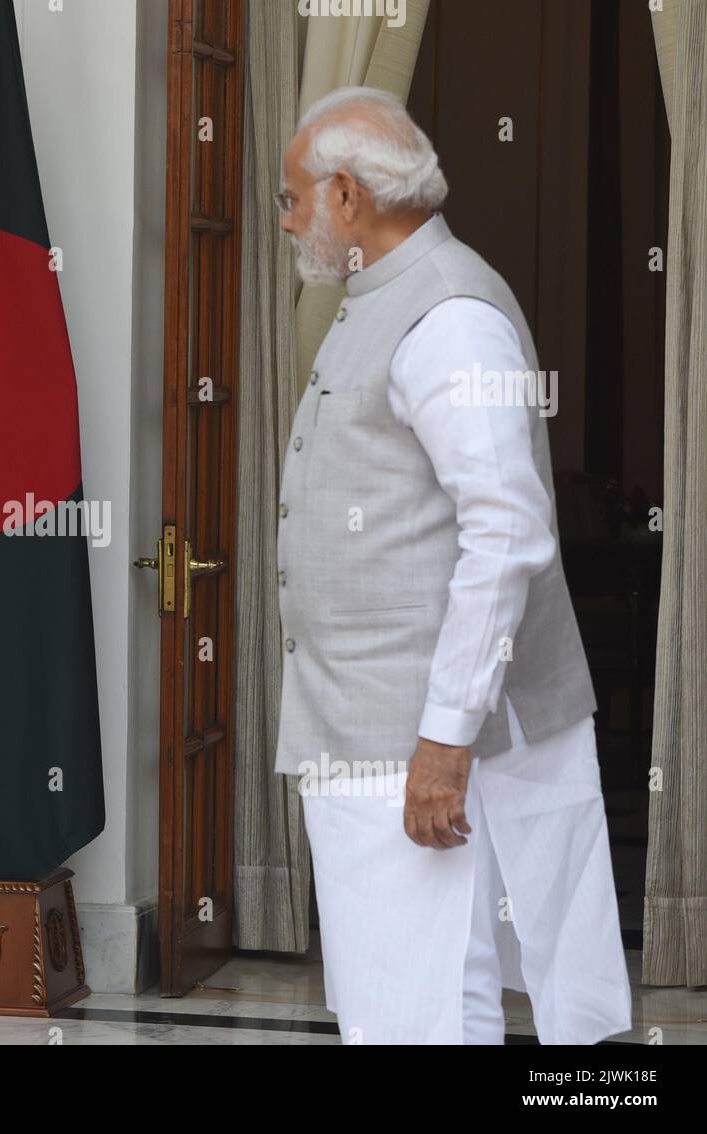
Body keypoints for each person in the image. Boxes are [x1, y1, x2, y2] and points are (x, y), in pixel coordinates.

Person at [273, 87, 632, 1043]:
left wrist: (441, 739)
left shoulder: (447, 316)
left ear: (347, 195)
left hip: (409, 739)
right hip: (383, 724)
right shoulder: (386, 297)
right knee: (429, 996)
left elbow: (506, 530)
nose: (287, 220)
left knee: (411, 1006)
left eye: (292, 198)